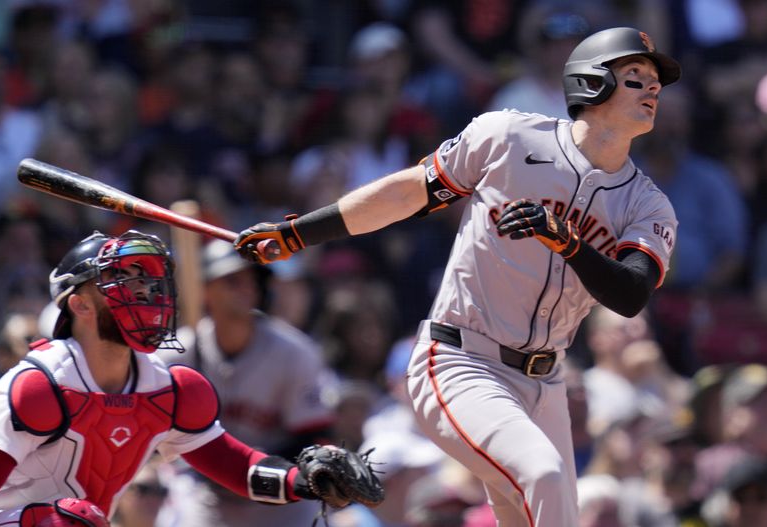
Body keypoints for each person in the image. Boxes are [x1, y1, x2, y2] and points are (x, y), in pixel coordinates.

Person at [234, 26, 681, 526]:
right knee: (546, 475)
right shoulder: (508, 136)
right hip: (462, 359)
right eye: (636, 76)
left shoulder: (648, 204)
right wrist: (298, 234)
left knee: (537, 512)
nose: (653, 88)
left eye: (656, 81)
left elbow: (631, 292)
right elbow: (408, 193)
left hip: (545, 381)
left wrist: (567, 242)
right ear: (591, 82)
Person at [0, 229, 368, 526]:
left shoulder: (169, 389)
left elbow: (238, 467)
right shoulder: (38, 387)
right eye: (123, 281)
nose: (143, 293)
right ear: (80, 304)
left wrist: (302, 481)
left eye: (147, 282)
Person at [158, 239, 336, 527]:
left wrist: (260, 474)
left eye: (251, 280)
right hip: (207, 493)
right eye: (232, 280)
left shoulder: (293, 352)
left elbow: (314, 436)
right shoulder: (177, 355)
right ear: (205, 290)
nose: (246, 289)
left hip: (282, 497)